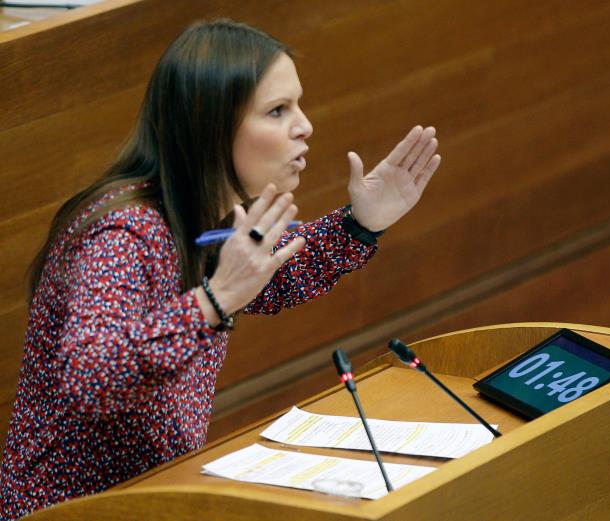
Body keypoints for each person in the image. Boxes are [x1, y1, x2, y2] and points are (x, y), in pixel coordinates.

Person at [0, 18, 440, 519]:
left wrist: (361, 224)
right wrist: (213, 302)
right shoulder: (123, 234)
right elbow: (92, 376)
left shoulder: (203, 215)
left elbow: (273, 273)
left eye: (297, 104)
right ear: (212, 128)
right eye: (278, 110)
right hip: (72, 512)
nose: (305, 125)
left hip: (157, 494)